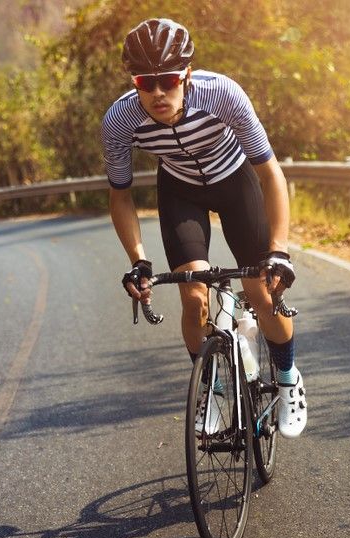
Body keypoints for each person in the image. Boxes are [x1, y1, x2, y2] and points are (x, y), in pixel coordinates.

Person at [102, 18, 306, 437]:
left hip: (236, 182)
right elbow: (120, 195)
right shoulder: (120, 121)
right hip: (180, 191)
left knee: (260, 292)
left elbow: (269, 173)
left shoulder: (222, 94)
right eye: (146, 81)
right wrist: (138, 260)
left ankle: (288, 380)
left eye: (169, 80)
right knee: (193, 298)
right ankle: (211, 391)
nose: (158, 92)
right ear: (134, 81)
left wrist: (279, 249)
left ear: (187, 75)